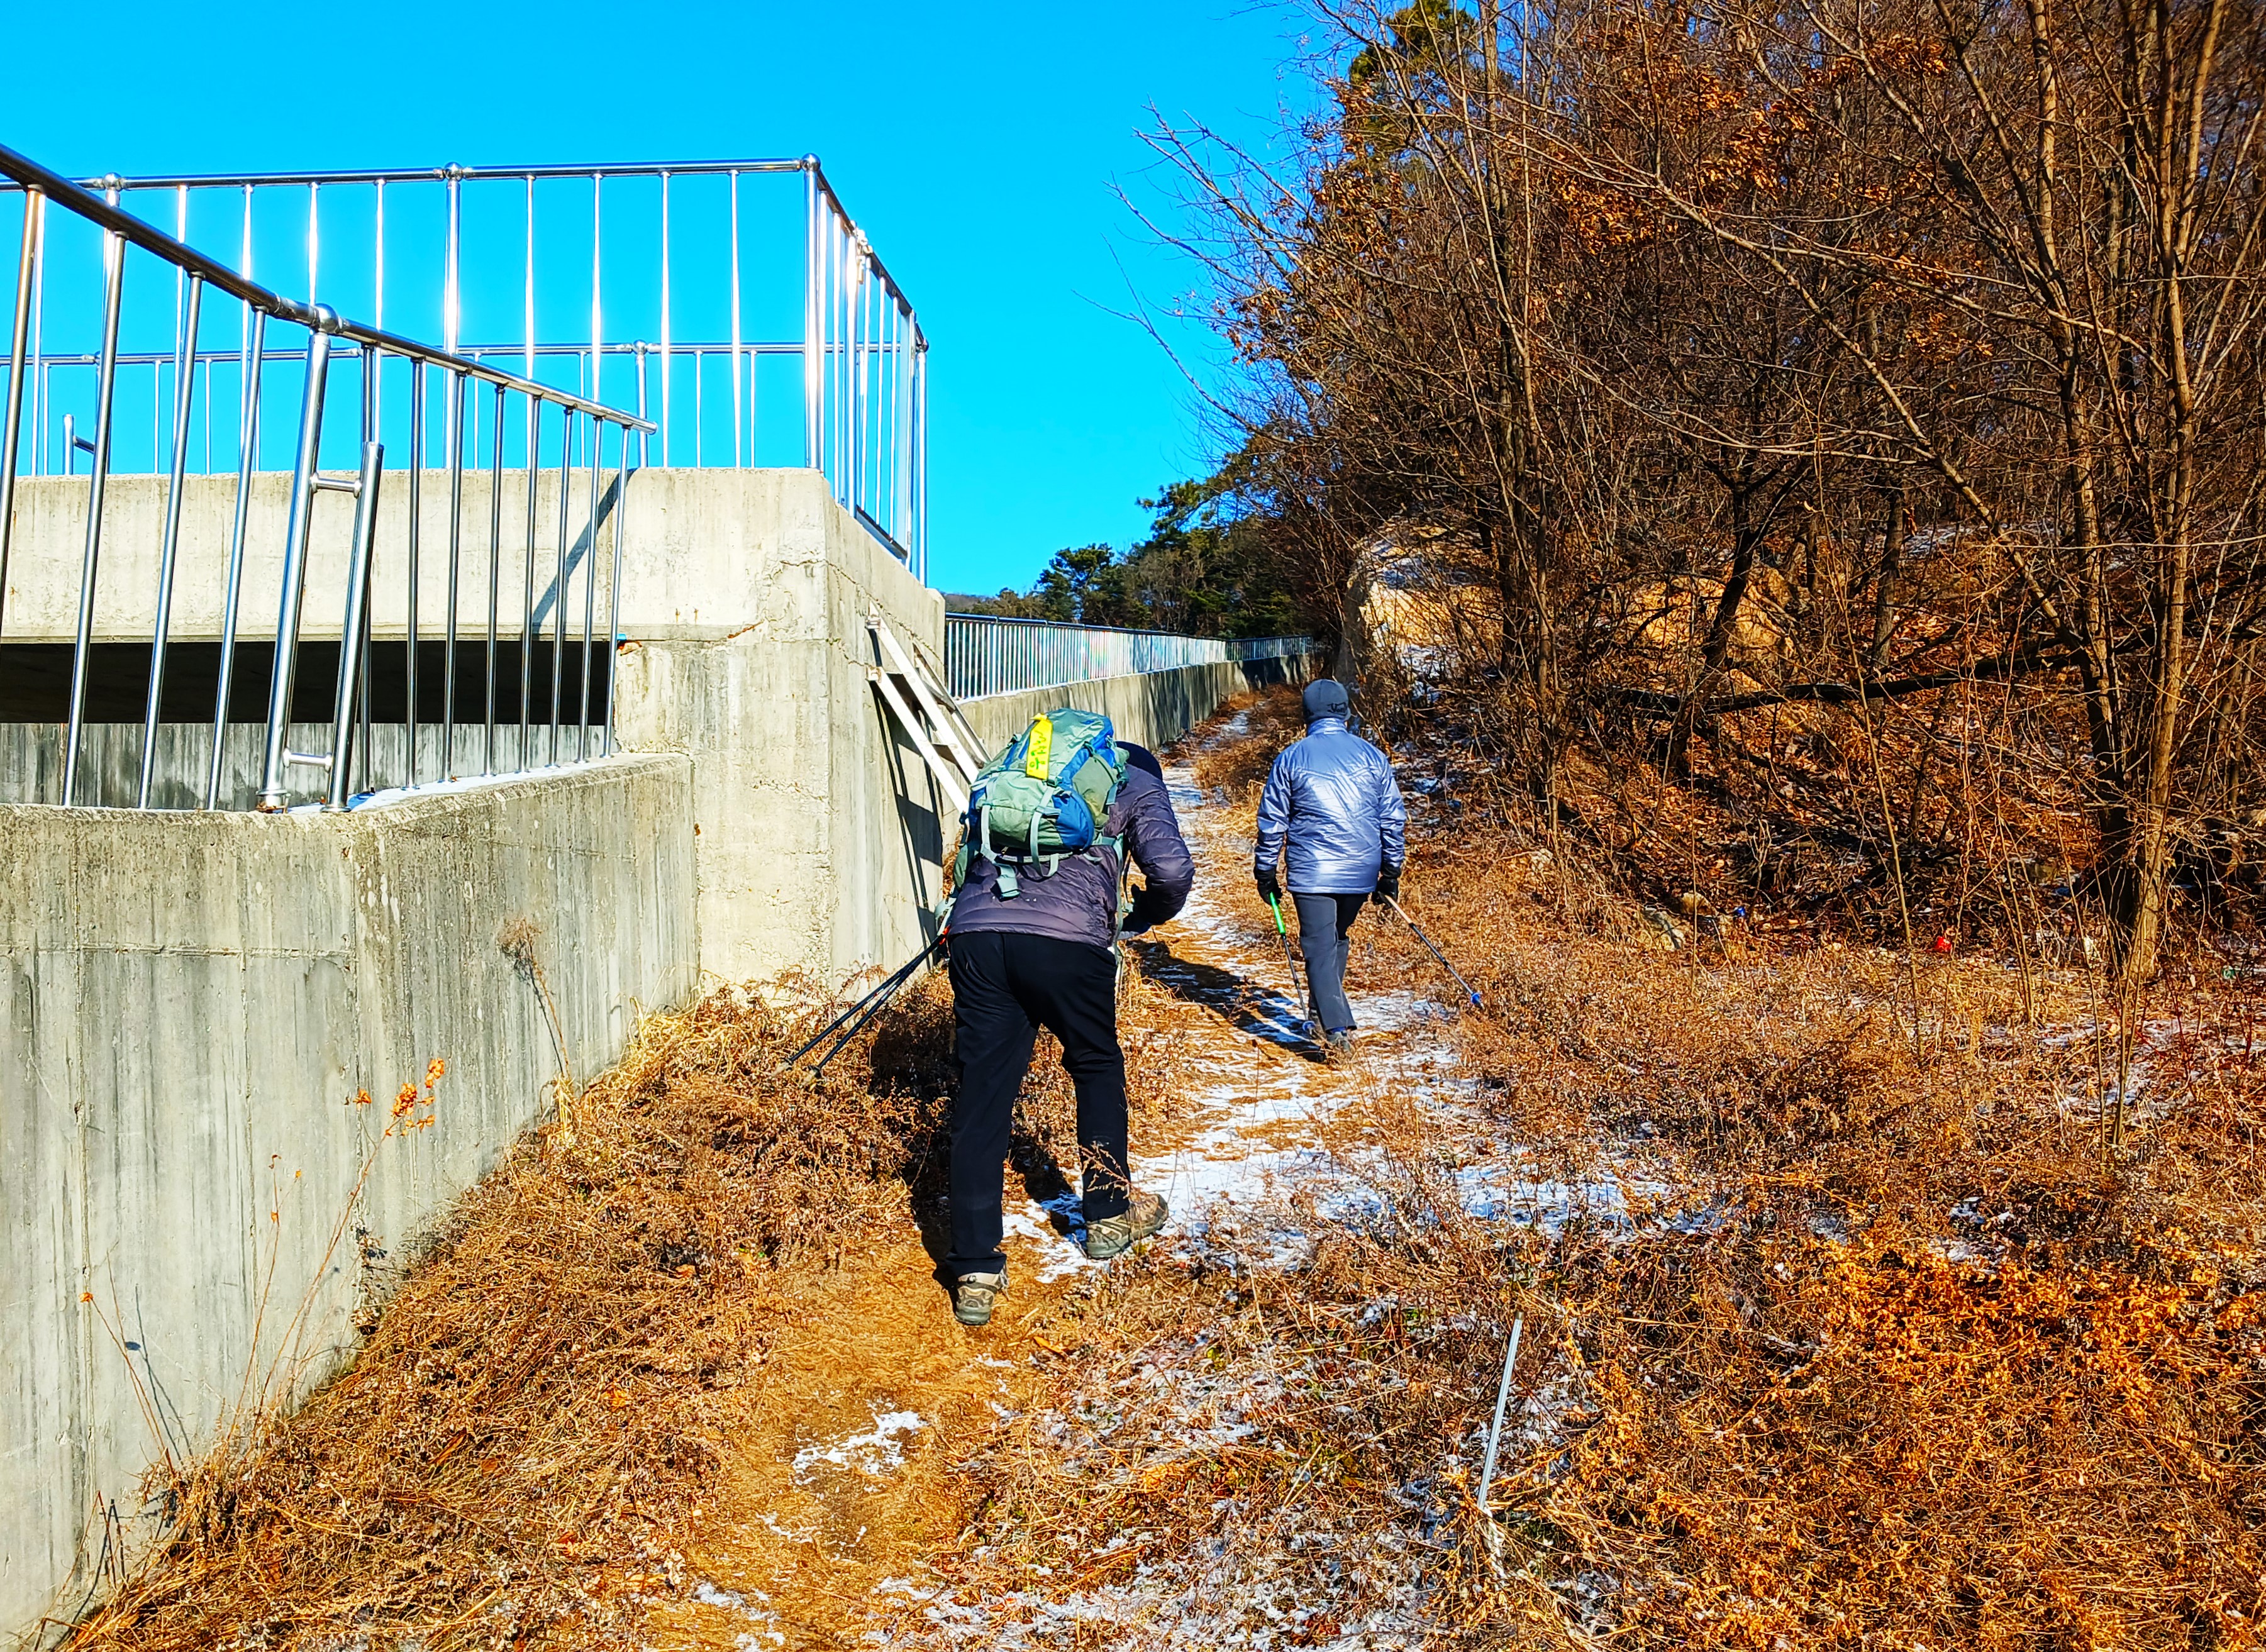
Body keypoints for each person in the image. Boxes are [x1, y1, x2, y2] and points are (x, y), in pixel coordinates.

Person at [941, 735, 1193, 1328]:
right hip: (1067, 942)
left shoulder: (1017, 770)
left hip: (977, 935)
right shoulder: (1136, 779)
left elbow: (966, 852)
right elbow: (1171, 868)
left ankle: (974, 1268)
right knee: (1094, 1064)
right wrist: (1143, 915)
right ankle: (1107, 1214)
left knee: (982, 1094)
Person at [1254, 680, 1408, 1057]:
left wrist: (1265, 870)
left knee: (1320, 945)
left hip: (1312, 871)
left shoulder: (1291, 758)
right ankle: (1322, 1015)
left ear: (1306, 715)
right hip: (1361, 869)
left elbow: (1273, 821)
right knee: (1334, 939)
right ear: (1346, 712)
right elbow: (1392, 818)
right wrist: (1391, 871)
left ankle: (1338, 1031)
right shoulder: (1374, 757)